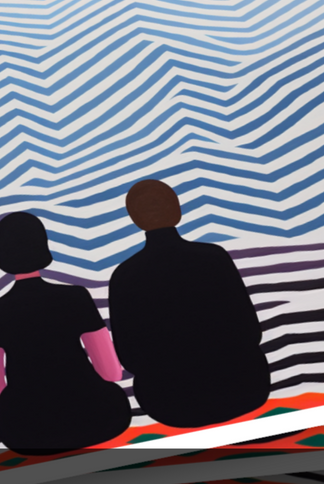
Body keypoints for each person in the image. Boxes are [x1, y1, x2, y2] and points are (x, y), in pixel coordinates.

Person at [106, 180, 269, 429]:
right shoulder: (214, 257)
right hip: (246, 386)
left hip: (169, 403)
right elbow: (251, 331)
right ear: (177, 210)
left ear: (135, 219)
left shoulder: (124, 276)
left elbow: (129, 359)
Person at [0, 211, 131, 455]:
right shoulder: (76, 297)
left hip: (26, 432)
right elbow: (111, 372)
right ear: (43, 248)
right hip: (100, 417)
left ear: (1, 255)